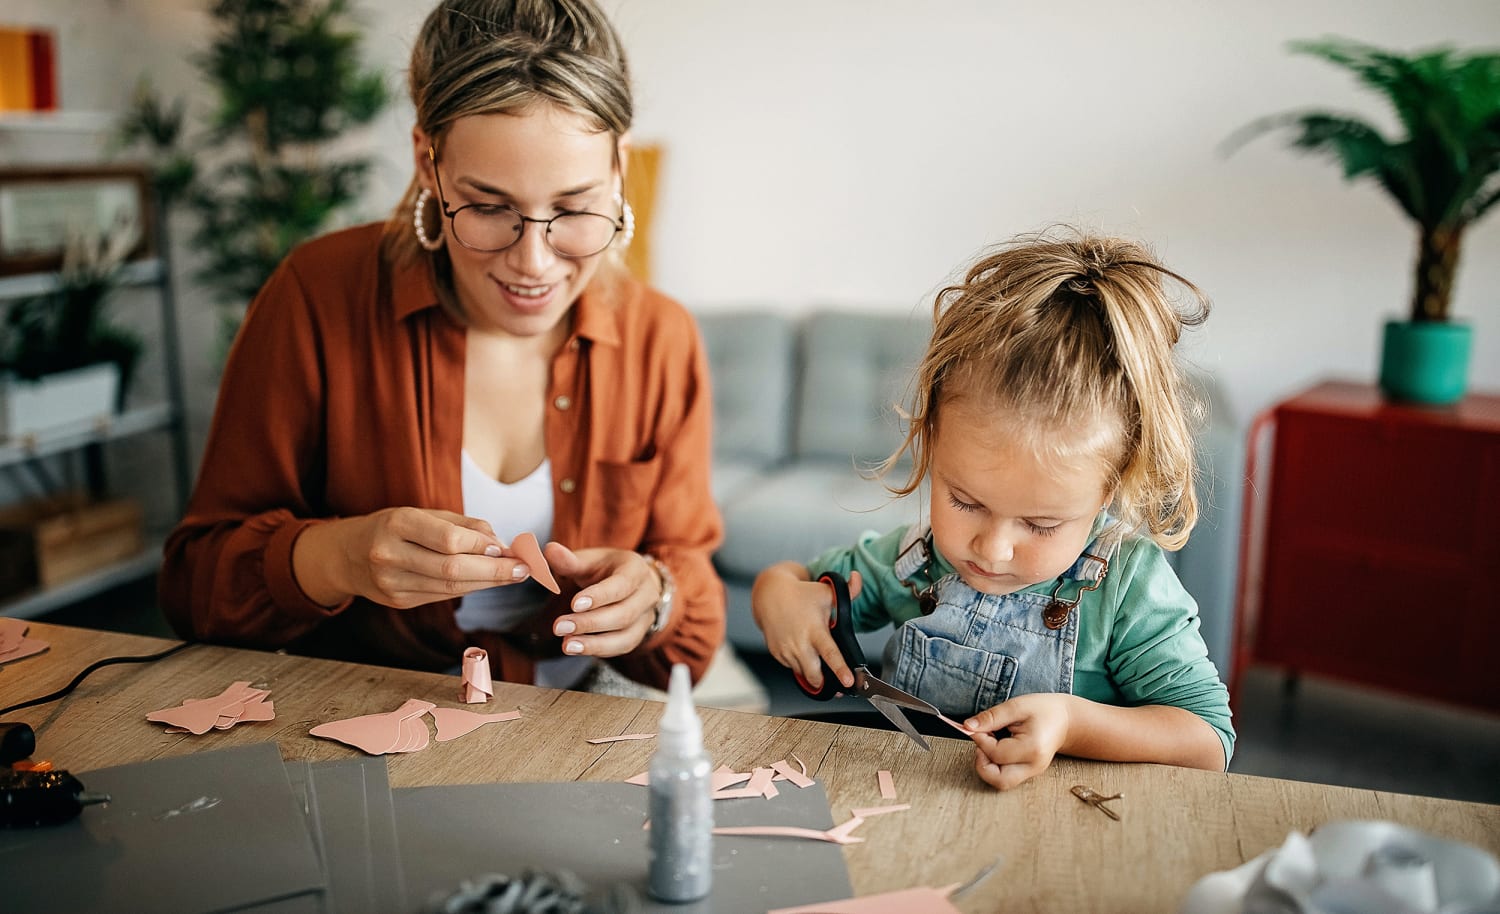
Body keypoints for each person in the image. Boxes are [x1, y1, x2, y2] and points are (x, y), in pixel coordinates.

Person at [160, 0, 724, 692]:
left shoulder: (659, 337)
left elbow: (692, 623)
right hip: (362, 720)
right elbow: (194, 588)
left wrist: (656, 599)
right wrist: (336, 557)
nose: (535, 263)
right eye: (489, 207)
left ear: (618, 167)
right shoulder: (317, 296)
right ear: (428, 160)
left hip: (579, 726)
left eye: (575, 209)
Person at [751, 229, 1233, 790]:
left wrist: (1073, 724)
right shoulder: (920, 558)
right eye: (965, 502)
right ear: (931, 441)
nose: (992, 548)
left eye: (1041, 524)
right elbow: (797, 583)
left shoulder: (1129, 588)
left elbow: (1208, 741)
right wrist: (777, 599)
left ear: (1110, 489)